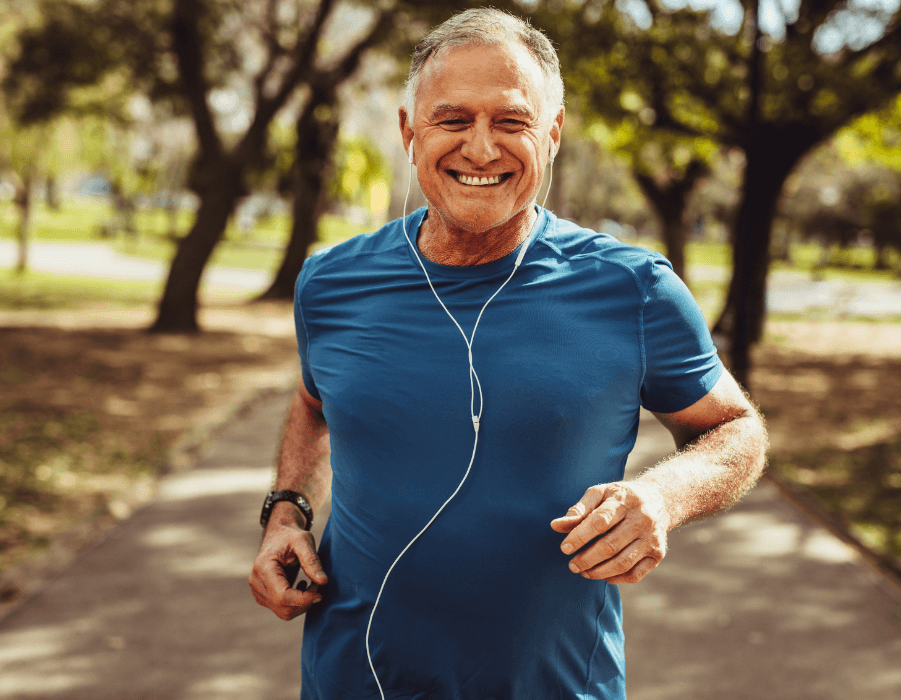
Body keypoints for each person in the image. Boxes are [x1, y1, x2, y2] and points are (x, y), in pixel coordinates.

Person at [249, 8, 766, 699]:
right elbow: (315, 403)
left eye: (512, 121)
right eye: (453, 120)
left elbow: (736, 429)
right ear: (410, 131)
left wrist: (661, 496)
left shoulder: (635, 289)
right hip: (350, 676)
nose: (482, 149)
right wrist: (287, 511)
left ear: (551, 134)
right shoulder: (331, 282)